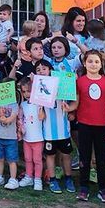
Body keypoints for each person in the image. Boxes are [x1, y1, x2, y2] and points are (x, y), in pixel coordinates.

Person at [68, 50, 105, 203]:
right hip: (84, 125)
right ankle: (84, 188)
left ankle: (103, 189)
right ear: (84, 63)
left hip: (102, 125)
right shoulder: (80, 81)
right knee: (85, 157)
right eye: (90, 61)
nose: (93, 64)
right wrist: (68, 108)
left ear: (101, 64)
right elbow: (76, 102)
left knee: (102, 159)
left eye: (96, 62)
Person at [36, 60, 74, 194]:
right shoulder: (38, 91)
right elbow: (41, 117)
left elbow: (71, 104)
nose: (41, 71)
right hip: (49, 133)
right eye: (38, 70)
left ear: (51, 70)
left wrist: (69, 109)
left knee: (66, 155)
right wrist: (40, 108)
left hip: (63, 130)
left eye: (44, 68)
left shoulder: (61, 85)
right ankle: (53, 180)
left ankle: (69, 178)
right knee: (50, 156)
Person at [17, 77, 45, 191]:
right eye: (23, 91)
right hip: (26, 138)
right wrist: (20, 128)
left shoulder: (39, 103)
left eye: (28, 91)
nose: (26, 94)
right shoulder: (23, 105)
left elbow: (41, 117)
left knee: (37, 159)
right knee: (28, 158)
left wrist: (41, 108)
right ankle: (29, 176)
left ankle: (38, 179)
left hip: (38, 138)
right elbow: (20, 118)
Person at [0, 96, 20, 190]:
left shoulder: (15, 105)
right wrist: (0, 113)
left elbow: (11, 118)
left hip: (11, 138)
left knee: (12, 159)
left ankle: (13, 179)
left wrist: (5, 119)